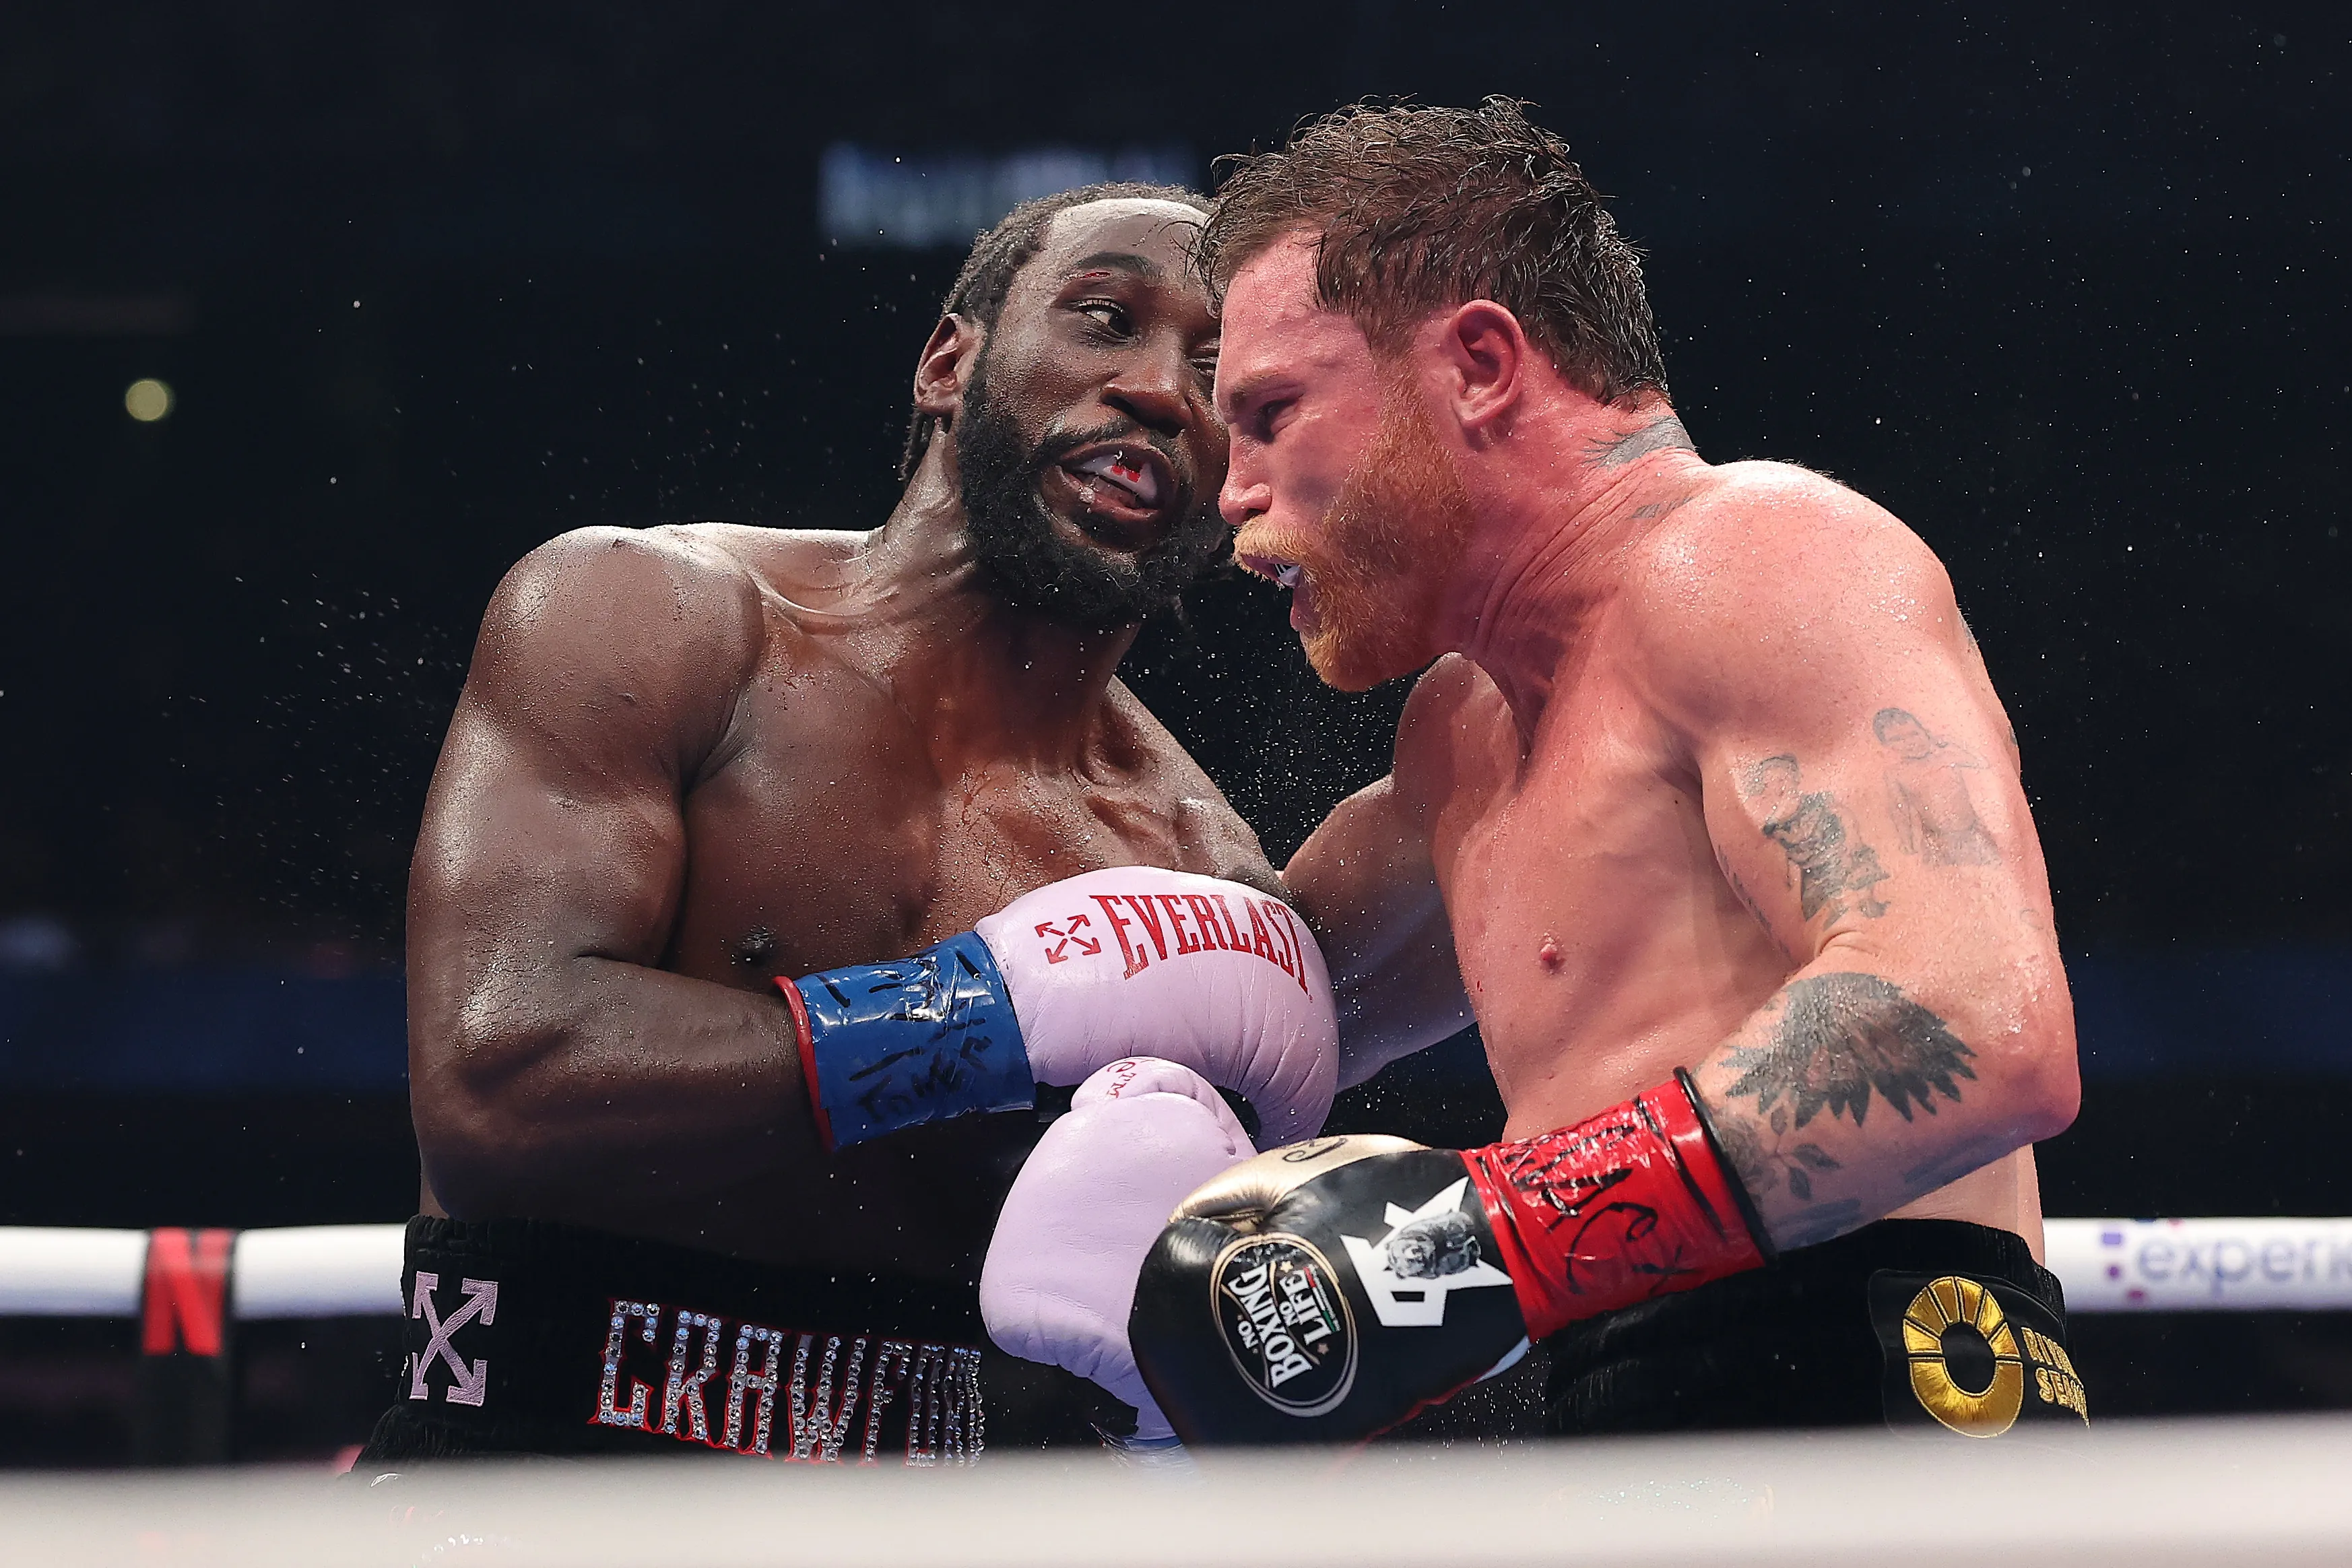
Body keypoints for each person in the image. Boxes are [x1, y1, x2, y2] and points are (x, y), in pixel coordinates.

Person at [998, 101, 2089, 1444]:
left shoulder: (1757, 560)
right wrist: (939, 1023)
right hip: (1618, 1395)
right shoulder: (1457, 741)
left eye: (1273, 412)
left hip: (1872, 1388)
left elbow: (1974, 1024)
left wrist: (1477, 1238)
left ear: (1478, 363)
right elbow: (1249, 990)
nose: (1236, 489)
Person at [360, 183, 1338, 1467]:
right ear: (950, 362)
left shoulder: (1195, 877)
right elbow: (496, 1091)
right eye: (1105, 319)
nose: (1160, 390)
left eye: (1223, 377)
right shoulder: (652, 618)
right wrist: (971, 1020)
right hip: (528, 1492)